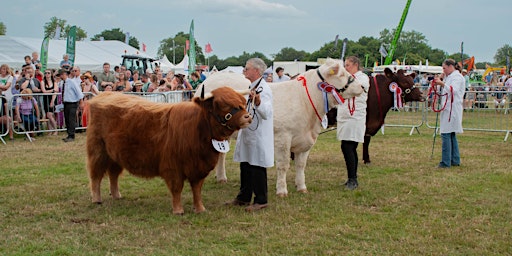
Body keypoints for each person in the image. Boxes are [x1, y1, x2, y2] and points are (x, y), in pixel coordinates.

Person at [226, 58, 274, 212]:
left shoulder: (264, 89)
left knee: (257, 165)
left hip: (258, 134)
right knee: (245, 164)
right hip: (248, 132)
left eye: (247, 69)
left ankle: (261, 200)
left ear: (257, 71)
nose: (244, 71)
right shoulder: (251, 87)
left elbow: (267, 113)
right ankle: (244, 196)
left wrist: (258, 102)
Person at [336, 56, 370, 190]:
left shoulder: (362, 78)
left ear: (355, 65)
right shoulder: (346, 78)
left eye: (348, 65)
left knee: (348, 146)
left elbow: (357, 89)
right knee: (346, 146)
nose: (346, 68)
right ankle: (352, 177)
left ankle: (353, 178)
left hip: (355, 116)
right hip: (345, 115)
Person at [432, 59, 465, 168]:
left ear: (451, 67)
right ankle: (455, 159)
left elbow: (453, 90)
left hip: (452, 109)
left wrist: (442, 83)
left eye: (444, 68)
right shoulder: (450, 77)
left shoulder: (457, 77)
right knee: (451, 134)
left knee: (446, 133)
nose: (443, 70)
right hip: (448, 108)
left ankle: (446, 162)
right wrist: (441, 79)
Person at [58, 69, 84, 142]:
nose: (60, 76)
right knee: (67, 119)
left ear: (64, 74)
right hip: (66, 103)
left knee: (71, 119)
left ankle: (72, 135)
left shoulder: (72, 82)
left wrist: (81, 102)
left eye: (61, 75)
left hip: (72, 103)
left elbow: (78, 92)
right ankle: (69, 134)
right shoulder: (62, 83)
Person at [40, 69, 59, 135]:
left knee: (50, 115)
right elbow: (44, 91)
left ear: (51, 74)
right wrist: (52, 90)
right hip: (46, 99)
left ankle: (55, 129)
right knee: (48, 115)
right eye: (45, 73)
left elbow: (56, 92)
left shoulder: (55, 82)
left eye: (48, 73)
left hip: (53, 99)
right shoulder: (43, 82)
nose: (47, 74)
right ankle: (50, 130)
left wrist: (52, 101)